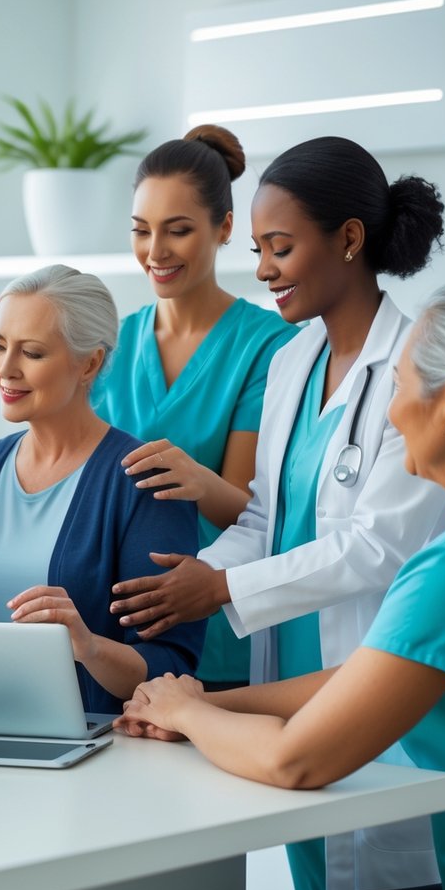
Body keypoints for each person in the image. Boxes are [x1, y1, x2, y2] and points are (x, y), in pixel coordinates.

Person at [117, 279, 445, 890]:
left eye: (400, 386)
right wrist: (201, 703)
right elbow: (366, 678)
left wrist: (189, 715)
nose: (392, 411)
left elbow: (297, 761)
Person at [111, 137, 445, 890]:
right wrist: (197, 576)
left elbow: (376, 547)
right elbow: (266, 514)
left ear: (350, 239)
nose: (264, 269)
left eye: (281, 247)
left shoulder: (416, 367)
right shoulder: (293, 361)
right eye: (260, 249)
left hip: (371, 671)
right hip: (288, 683)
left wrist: (223, 590)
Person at [0, 265, 205, 723]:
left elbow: (172, 667)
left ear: (90, 363)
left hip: (102, 750)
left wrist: (88, 647)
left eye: (31, 352)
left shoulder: (144, 482)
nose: (6, 369)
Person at [93, 125, 295, 691]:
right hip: (111, 637)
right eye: (141, 231)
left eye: (177, 230)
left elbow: (257, 518)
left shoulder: (269, 348)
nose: (155, 252)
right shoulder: (108, 348)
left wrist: (197, 480)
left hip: (217, 637)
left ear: (224, 227)